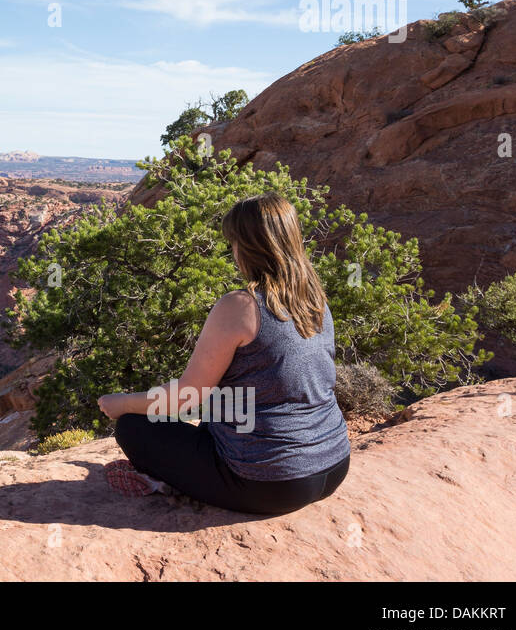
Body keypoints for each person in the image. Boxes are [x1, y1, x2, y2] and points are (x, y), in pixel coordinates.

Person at [96, 193, 350, 515]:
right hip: (334, 463)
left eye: (234, 243)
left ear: (248, 246)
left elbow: (187, 397)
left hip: (270, 483)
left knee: (134, 428)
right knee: (217, 415)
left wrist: (122, 403)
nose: (232, 252)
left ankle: (167, 484)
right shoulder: (315, 301)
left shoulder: (241, 306)